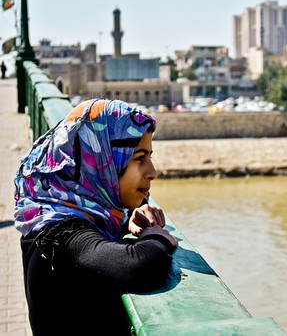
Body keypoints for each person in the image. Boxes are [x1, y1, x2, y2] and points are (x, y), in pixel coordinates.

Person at [14, 99, 179, 335]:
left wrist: (130, 214)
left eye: (150, 157)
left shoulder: (58, 208)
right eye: (139, 158)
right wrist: (157, 237)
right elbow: (141, 265)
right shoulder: (61, 235)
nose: (152, 172)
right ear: (102, 162)